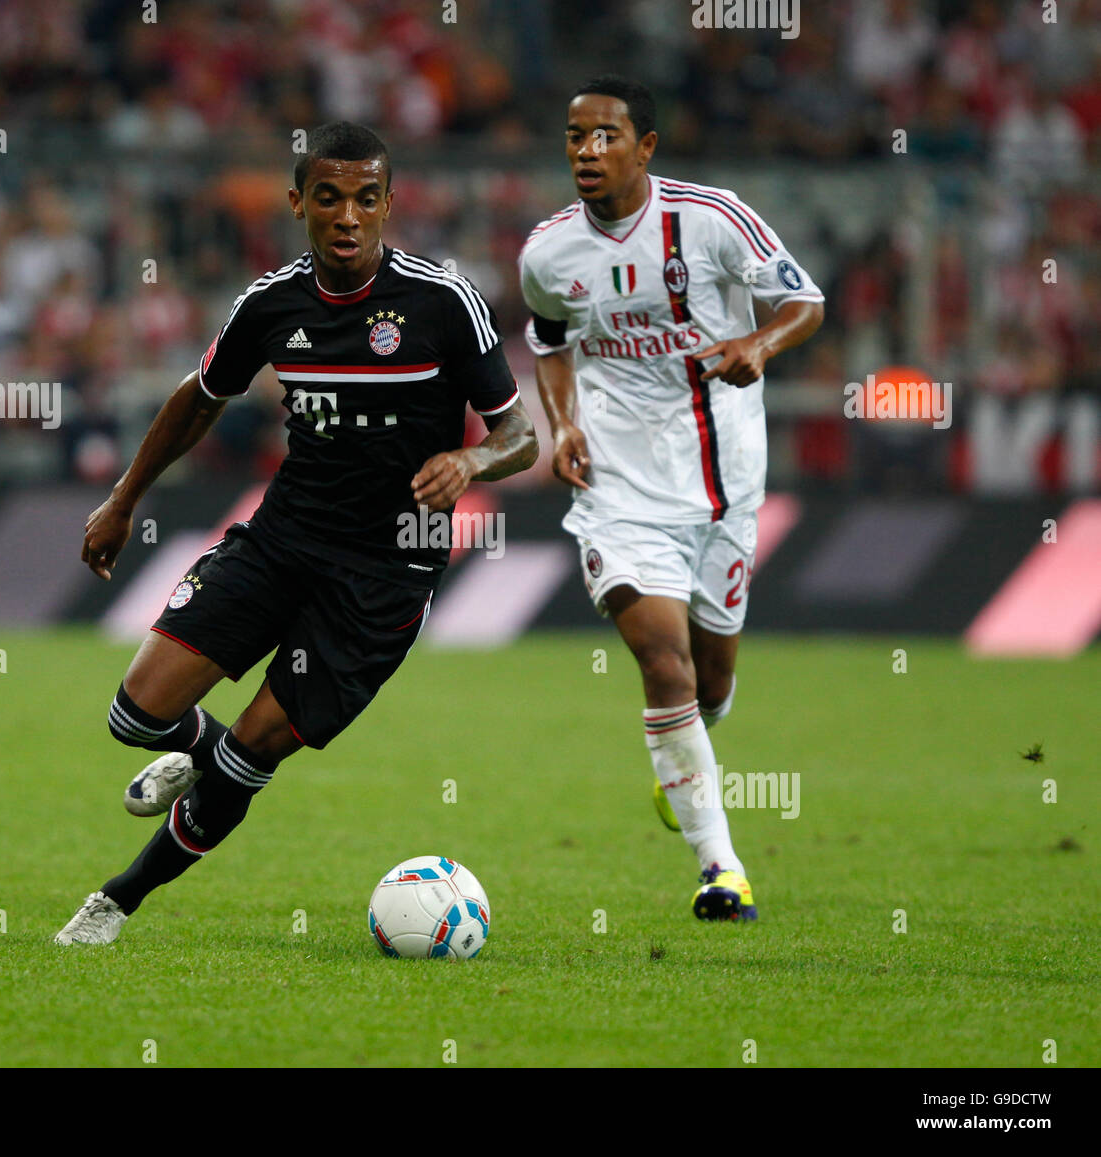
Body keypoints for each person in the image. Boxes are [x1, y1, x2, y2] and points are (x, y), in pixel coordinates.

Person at [55, 122, 537, 945]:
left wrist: (471, 464)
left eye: (365, 197)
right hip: (282, 541)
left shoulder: (443, 304)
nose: (347, 215)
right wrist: (123, 497)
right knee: (135, 714)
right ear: (297, 204)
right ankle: (194, 750)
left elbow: (519, 433)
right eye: (328, 197)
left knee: (252, 754)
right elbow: (199, 396)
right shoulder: (271, 304)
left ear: (389, 204)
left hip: (383, 577)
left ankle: (117, 900)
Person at [519, 77, 824, 921]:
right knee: (663, 660)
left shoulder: (713, 218)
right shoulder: (548, 252)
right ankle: (721, 867)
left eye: (605, 136)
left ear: (645, 146)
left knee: (713, 678)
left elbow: (807, 300)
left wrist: (758, 342)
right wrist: (564, 423)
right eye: (575, 136)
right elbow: (549, 342)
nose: (586, 151)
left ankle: (685, 761)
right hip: (618, 486)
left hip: (726, 481)